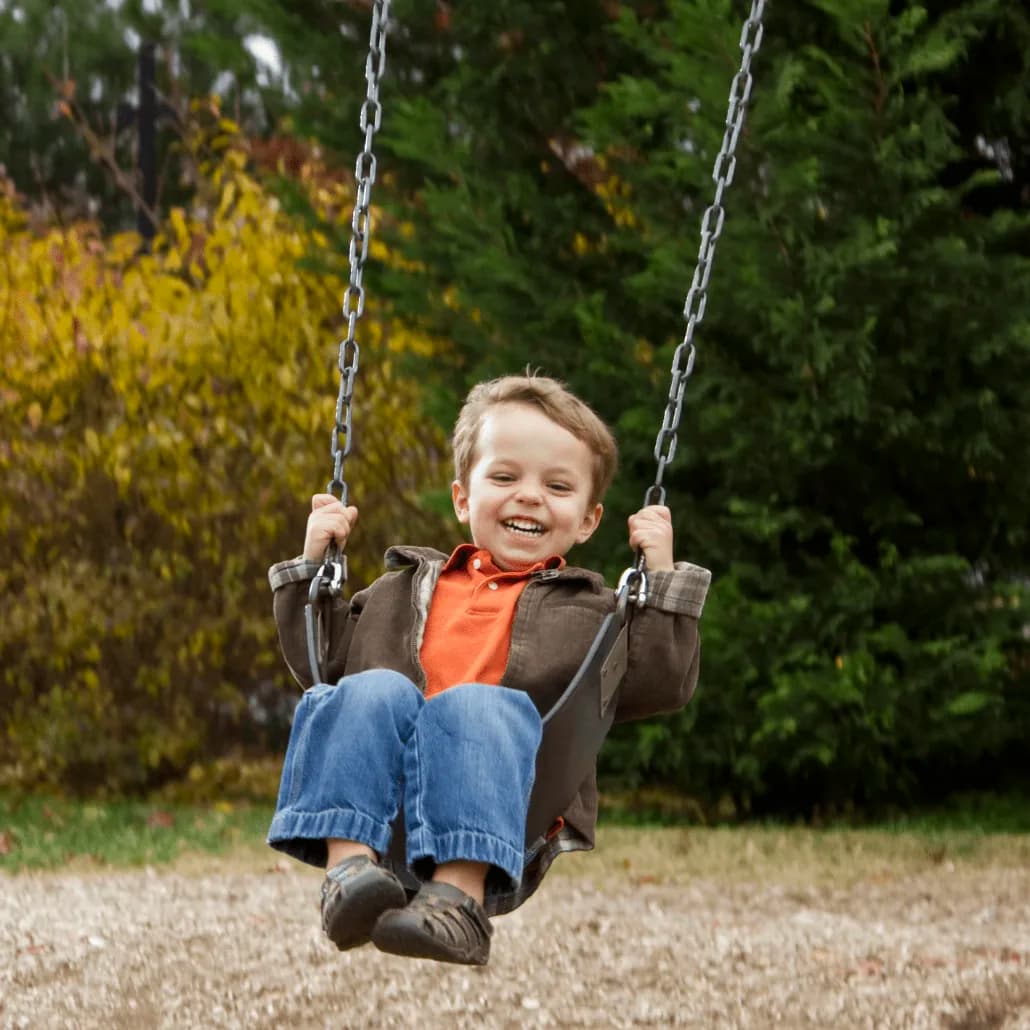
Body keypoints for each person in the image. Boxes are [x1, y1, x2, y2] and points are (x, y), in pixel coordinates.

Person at [266, 373, 711, 966]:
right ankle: (350, 874)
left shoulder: (593, 613)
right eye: (504, 477)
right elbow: (320, 663)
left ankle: (457, 903)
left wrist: (660, 579)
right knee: (368, 690)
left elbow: (659, 681)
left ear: (588, 519)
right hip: (386, 789)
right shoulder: (396, 590)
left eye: (557, 485)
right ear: (462, 498)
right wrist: (312, 567)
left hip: (506, 795)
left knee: (475, 704)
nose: (529, 496)